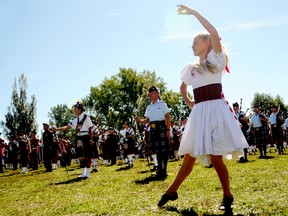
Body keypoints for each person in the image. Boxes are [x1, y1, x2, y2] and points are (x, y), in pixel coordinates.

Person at [157, 5, 248, 211]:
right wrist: (189, 102)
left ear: (206, 43)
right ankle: (172, 191)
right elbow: (182, 86)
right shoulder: (192, 68)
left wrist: (195, 13)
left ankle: (227, 196)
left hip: (216, 110)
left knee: (216, 157)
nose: (192, 46)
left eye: (195, 42)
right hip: (199, 113)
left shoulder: (216, 59)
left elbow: (215, 32)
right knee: (189, 155)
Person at [136, 86, 171, 179]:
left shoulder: (162, 104)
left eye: (154, 93)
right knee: (158, 151)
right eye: (151, 93)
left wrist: (168, 130)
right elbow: (147, 120)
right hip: (153, 128)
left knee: (164, 151)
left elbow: (168, 117)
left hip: (162, 127)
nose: (152, 95)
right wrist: (140, 121)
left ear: (158, 94)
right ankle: (160, 169)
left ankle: (164, 170)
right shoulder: (149, 107)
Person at [52, 102, 94, 179]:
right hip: (79, 138)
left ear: (80, 109)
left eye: (75, 109)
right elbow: (67, 127)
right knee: (81, 155)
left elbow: (90, 129)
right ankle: (83, 172)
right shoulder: (74, 120)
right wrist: (57, 129)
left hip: (85, 137)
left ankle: (88, 173)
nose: (74, 111)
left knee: (87, 155)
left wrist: (91, 139)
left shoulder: (86, 117)